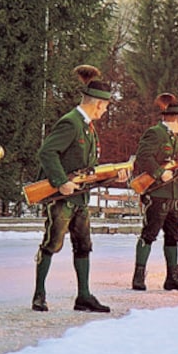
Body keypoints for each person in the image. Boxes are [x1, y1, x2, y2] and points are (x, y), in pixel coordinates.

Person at [32, 66, 123, 313]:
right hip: (63, 198)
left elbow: (88, 168)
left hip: (80, 198)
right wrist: (61, 181)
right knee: (52, 243)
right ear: (97, 104)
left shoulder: (88, 127)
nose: (105, 111)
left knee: (83, 245)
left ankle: (83, 296)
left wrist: (113, 174)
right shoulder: (71, 123)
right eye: (105, 107)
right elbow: (47, 152)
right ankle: (39, 294)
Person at [132, 93, 178, 292]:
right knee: (149, 234)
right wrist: (158, 172)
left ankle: (172, 277)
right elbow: (143, 156)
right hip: (157, 193)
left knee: (173, 236)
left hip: (174, 194)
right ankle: (138, 276)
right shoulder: (155, 133)